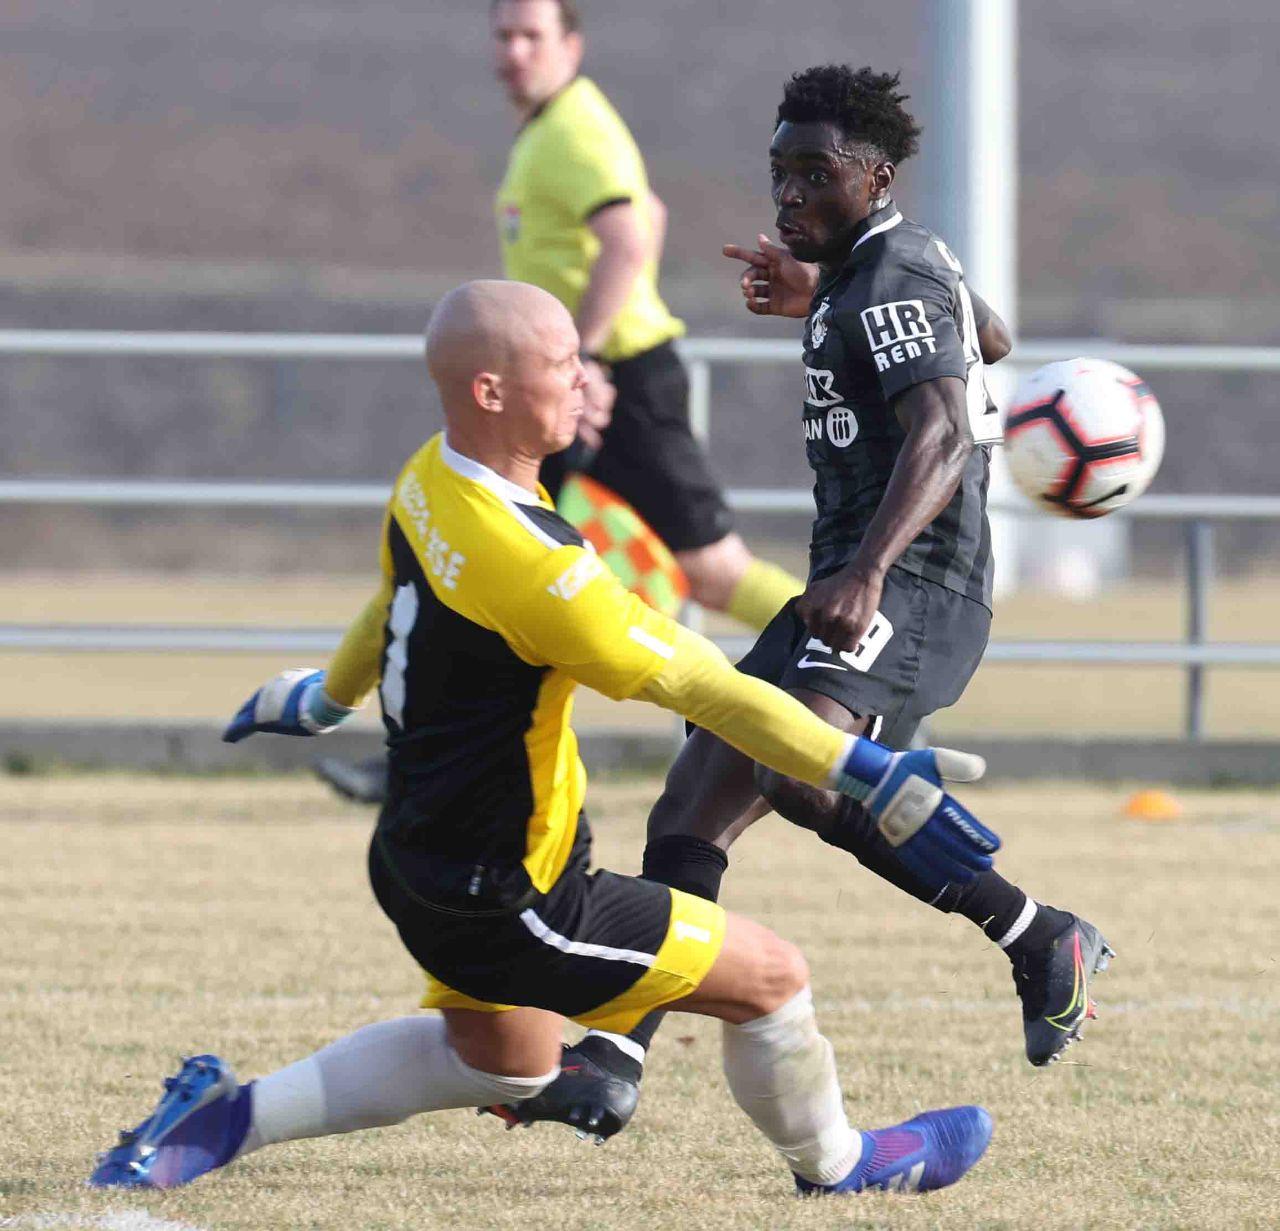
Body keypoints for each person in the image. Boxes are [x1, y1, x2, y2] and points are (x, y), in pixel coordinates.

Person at [90, 281, 1000, 1198]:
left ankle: (222, 1117)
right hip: (520, 897)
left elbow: (395, 595)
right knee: (773, 979)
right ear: (492, 391)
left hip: (412, 858)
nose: (587, 382)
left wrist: (324, 698)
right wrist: (868, 769)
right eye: (564, 365)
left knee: (506, 1059)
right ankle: (842, 1167)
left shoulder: (428, 478)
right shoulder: (543, 573)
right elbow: (707, 685)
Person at [494, 65, 1112, 1140]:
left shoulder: (890, 277)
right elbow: (993, 341)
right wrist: (823, 285)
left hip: (914, 585)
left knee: (797, 773)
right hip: (852, 576)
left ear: (875, 178)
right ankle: (611, 1059)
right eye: (780, 171)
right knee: (689, 807)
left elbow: (941, 433)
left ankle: (1034, 931)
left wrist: (867, 570)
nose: (789, 192)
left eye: (816, 174)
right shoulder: (882, 267)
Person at [316, 0, 805, 808]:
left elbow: (629, 235)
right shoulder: (550, 130)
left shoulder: (576, 127)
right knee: (480, 558)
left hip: (615, 383)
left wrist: (589, 357)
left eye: (532, 36)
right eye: (503, 35)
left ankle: (862, 675)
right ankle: (417, 762)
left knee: (712, 573)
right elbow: (649, 213)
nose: (514, 50)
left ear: (570, 45)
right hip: (569, 383)